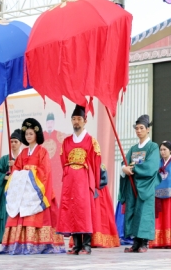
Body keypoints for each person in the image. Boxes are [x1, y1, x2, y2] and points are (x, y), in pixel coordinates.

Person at [0, 118, 65, 255]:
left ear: (36, 135)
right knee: (19, 213)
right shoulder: (22, 153)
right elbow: (16, 170)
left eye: (31, 133)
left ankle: (40, 245)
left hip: (37, 190)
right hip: (24, 191)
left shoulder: (42, 152)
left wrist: (29, 175)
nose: (28, 136)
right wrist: (18, 175)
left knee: (39, 215)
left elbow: (45, 172)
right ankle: (19, 244)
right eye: (27, 134)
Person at [56, 105, 101, 255]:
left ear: (85, 121)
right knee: (72, 210)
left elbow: (96, 162)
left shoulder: (91, 141)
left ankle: (86, 245)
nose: (76, 122)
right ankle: (76, 245)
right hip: (70, 181)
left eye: (79, 119)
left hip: (84, 180)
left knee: (84, 211)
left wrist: (95, 183)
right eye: (74, 119)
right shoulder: (66, 141)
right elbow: (63, 160)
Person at [120, 114, 161, 253]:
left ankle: (144, 243)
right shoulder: (133, 149)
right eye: (136, 128)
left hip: (145, 186)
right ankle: (135, 243)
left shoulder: (153, 147)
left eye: (141, 128)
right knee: (133, 211)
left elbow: (151, 166)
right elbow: (125, 162)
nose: (138, 131)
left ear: (148, 129)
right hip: (132, 185)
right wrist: (124, 168)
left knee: (144, 213)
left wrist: (133, 168)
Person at [67, 164, 120, 249]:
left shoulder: (99, 164)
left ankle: (95, 240)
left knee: (98, 215)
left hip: (97, 191)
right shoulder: (80, 164)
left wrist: (92, 184)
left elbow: (104, 179)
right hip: (84, 191)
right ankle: (81, 241)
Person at [0, 129, 22, 244]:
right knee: (6, 215)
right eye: (11, 142)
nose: (13, 144)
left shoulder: (23, 157)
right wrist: (4, 176)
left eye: (15, 142)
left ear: (21, 143)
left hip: (20, 193)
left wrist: (17, 166)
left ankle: (18, 239)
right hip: (7, 193)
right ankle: (6, 240)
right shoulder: (4, 159)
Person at [42, 113, 68, 205]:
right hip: (44, 171)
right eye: (48, 122)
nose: (49, 124)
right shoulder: (41, 136)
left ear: (54, 123)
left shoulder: (59, 135)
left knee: (57, 195)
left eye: (51, 122)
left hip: (57, 171)